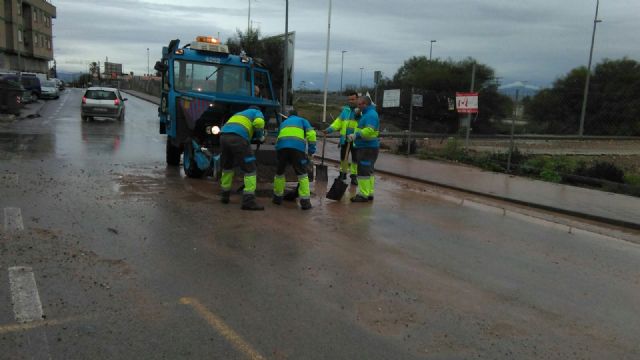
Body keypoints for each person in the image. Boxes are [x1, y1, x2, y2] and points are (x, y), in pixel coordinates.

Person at [219, 106, 266, 210]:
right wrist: (260, 136)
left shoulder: (239, 114)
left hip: (223, 136)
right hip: (238, 138)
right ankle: (248, 201)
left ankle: (224, 196)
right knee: (250, 169)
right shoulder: (256, 112)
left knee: (227, 167)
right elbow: (258, 123)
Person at [272, 111, 317, 210]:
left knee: (280, 173)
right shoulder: (302, 120)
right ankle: (305, 202)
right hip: (297, 148)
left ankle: (277, 198)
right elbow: (312, 134)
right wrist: (311, 150)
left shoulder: (283, 123)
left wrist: (278, 150)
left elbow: (278, 137)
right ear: (297, 115)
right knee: (302, 174)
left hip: (281, 148)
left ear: (288, 116)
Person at [347, 96, 379, 203]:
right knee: (369, 171)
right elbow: (363, 126)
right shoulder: (367, 114)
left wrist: (356, 135)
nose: (358, 106)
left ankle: (363, 194)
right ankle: (369, 193)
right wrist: (357, 116)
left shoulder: (371, 115)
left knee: (363, 171)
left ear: (365, 104)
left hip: (367, 147)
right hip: (367, 146)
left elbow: (369, 130)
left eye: (359, 104)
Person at [324, 92, 360, 185]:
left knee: (355, 159)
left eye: (353, 99)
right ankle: (343, 173)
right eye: (349, 99)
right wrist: (328, 130)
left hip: (356, 140)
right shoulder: (345, 111)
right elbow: (338, 123)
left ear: (357, 99)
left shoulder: (361, 111)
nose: (351, 101)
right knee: (344, 158)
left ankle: (354, 176)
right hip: (345, 139)